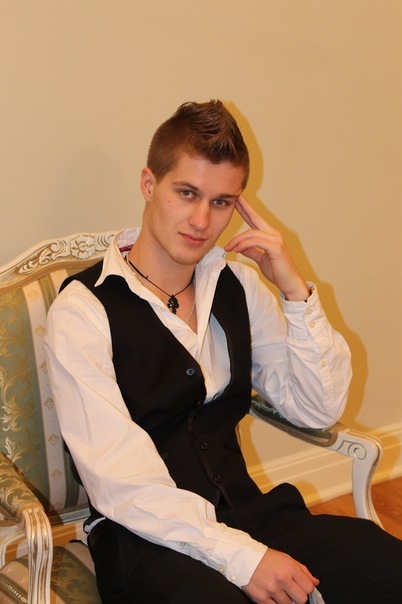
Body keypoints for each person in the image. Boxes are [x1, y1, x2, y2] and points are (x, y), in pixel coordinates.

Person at [45, 100, 402, 604]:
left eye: (221, 202)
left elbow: (316, 410)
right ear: (149, 184)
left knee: (387, 569)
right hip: (145, 539)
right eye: (187, 193)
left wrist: (293, 289)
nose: (201, 220)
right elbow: (120, 483)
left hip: (250, 515)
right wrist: (242, 558)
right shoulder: (83, 311)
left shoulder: (239, 285)